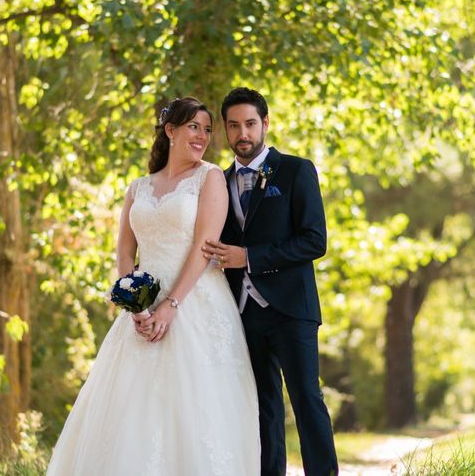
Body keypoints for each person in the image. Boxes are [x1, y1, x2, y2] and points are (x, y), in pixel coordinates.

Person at [47, 97, 260, 475]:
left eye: (208, 129)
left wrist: (170, 306)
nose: (202, 136)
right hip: (143, 311)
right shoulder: (138, 188)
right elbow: (125, 253)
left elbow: (204, 246)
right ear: (170, 130)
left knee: (194, 408)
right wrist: (138, 307)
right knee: (132, 409)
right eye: (194, 126)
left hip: (196, 301)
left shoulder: (210, 177)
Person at [202, 87, 338, 475]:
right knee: (262, 408)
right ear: (225, 131)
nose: (242, 133)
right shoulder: (218, 181)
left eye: (249, 124)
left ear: (265, 124)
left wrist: (251, 258)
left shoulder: (296, 170)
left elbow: (315, 240)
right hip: (243, 313)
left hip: (292, 309)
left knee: (307, 400)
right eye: (233, 126)